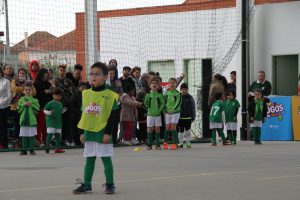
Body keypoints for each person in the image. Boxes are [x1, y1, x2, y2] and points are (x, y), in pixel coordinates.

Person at [73, 62, 118, 194]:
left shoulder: (110, 95)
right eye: (91, 74)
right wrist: (82, 132)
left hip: (102, 132)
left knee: (105, 158)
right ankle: (87, 184)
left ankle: (110, 184)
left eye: (97, 74)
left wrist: (108, 133)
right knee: (89, 159)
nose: (93, 77)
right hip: (89, 132)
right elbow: (84, 115)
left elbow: (112, 117)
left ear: (105, 77)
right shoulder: (85, 94)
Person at [10, 68, 36, 147]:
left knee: (25, 124)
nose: (22, 74)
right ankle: (17, 141)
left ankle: (25, 142)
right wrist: (26, 89)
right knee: (17, 124)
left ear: (26, 74)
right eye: (20, 73)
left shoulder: (29, 82)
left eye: (24, 73)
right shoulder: (14, 81)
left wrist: (27, 88)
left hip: (27, 107)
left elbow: (34, 93)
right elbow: (14, 88)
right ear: (18, 74)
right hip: (16, 106)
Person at [53, 65, 75, 146]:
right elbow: (52, 91)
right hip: (56, 105)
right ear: (58, 71)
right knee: (57, 123)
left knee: (67, 123)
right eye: (60, 70)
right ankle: (57, 140)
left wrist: (67, 103)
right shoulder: (54, 80)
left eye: (63, 70)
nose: (62, 72)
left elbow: (72, 93)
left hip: (66, 105)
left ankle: (66, 140)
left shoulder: (68, 81)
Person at [18, 83, 40, 155]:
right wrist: (23, 105)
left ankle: (31, 149)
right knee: (24, 135)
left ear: (32, 91)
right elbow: (18, 110)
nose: (27, 91)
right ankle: (24, 149)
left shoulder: (35, 100)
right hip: (23, 120)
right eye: (26, 90)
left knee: (31, 135)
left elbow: (37, 109)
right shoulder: (21, 100)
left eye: (29, 90)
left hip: (32, 121)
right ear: (23, 91)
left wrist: (32, 105)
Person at [144, 79, 165, 150]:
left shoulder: (160, 95)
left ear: (158, 86)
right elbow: (145, 104)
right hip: (150, 115)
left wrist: (159, 110)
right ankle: (149, 144)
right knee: (150, 129)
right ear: (150, 86)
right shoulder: (148, 95)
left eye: (156, 83)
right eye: (152, 83)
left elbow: (163, 103)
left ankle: (157, 144)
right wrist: (149, 110)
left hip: (158, 115)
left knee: (157, 128)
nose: (154, 84)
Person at [34, 68, 53, 146]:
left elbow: (51, 95)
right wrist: (45, 92)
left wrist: (51, 90)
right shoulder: (36, 84)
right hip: (40, 107)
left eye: (46, 76)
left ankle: (46, 141)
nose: (45, 77)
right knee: (40, 125)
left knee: (46, 125)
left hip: (47, 106)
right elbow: (36, 95)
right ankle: (38, 140)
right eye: (44, 76)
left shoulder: (48, 84)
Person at [44, 89, 66, 153]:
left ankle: (57, 148)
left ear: (61, 97)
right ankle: (47, 146)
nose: (57, 97)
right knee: (50, 134)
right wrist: (50, 112)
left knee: (58, 135)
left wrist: (63, 111)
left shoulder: (60, 104)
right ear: (53, 95)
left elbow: (60, 112)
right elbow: (44, 111)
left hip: (58, 122)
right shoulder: (50, 103)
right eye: (56, 95)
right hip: (51, 122)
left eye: (59, 96)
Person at [163, 78, 182, 150]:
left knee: (173, 127)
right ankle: (165, 142)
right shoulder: (166, 93)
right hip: (167, 112)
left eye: (173, 83)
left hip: (175, 112)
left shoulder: (178, 93)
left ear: (176, 84)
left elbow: (178, 103)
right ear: (168, 84)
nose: (171, 84)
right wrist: (165, 110)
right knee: (167, 127)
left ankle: (175, 143)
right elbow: (163, 102)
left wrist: (173, 110)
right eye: (170, 83)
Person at [178, 83, 195, 149]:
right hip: (180, 117)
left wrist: (193, 116)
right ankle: (180, 142)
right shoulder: (178, 97)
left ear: (187, 90)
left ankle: (188, 142)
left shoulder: (190, 98)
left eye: (185, 89)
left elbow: (193, 107)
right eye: (182, 89)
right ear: (180, 90)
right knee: (180, 130)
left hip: (188, 117)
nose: (184, 90)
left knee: (188, 130)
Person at [70, 82, 88, 146]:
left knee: (83, 130)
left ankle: (83, 142)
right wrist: (77, 113)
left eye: (85, 88)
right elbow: (72, 106)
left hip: (85, 116)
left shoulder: (88, 95)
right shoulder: (75, 95)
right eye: (82, 87)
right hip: (77, 116)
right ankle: (76, 142)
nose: (84, 89)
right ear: (78, 88)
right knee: (76, 130)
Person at [108, 66, 122, 146]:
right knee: (108, 123)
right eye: (110, 73)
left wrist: (119, 86)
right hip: (107, 106)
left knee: (115, 123)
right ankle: (107, 139)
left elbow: (121, 93)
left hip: (116, 106)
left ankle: (114, 140)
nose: (112, 75)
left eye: (113, 73)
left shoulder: (118, 82)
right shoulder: (105, 82)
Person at [0, 67, 12, 149]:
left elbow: (9, 95)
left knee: (2, 125)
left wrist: (2, 102)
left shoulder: (6, 81)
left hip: (3, 106)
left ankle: (3, 143)